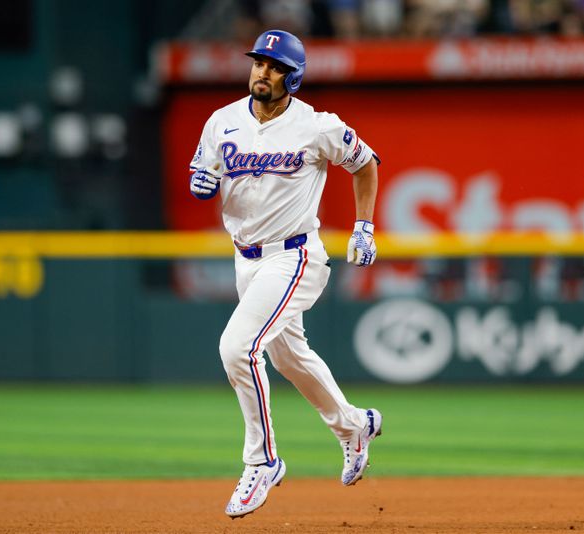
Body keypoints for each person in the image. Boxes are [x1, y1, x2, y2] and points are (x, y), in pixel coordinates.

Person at [188, 29, 383, 518]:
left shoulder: (317, 126)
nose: (262, 71)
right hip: (246, 258)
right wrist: (200, 181)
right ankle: (353, 426)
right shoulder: (222, 121)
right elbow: (202, 176)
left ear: (292, 77)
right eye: (258, 62)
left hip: (294, 256)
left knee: (237, 347)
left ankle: (263, 460)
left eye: (274, 66)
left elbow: (366, 164)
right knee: (289, 357)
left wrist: (364, 226)